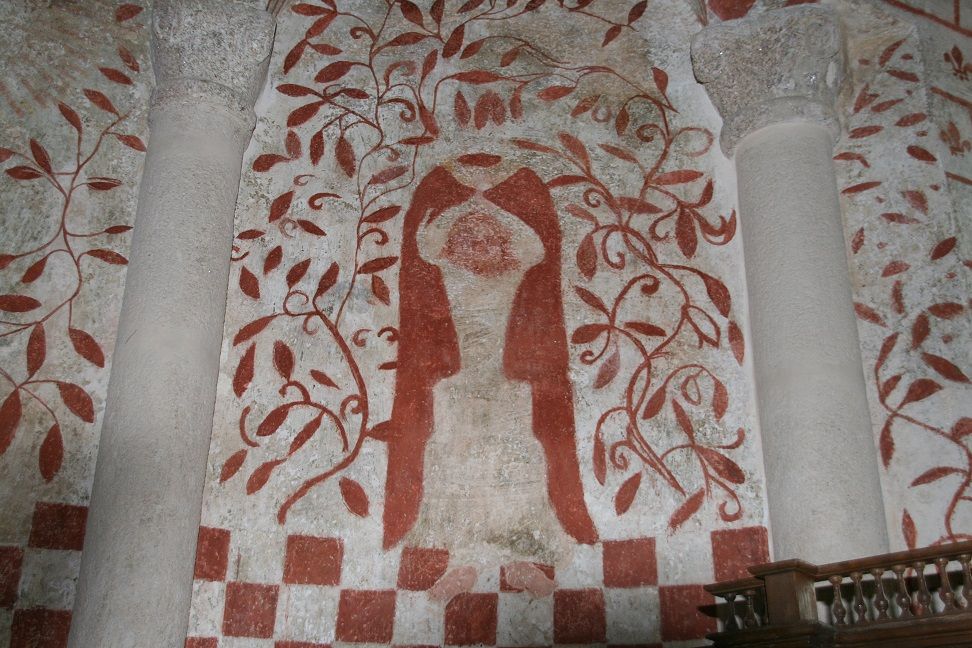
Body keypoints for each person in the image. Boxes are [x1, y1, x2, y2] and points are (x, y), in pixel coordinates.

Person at [382, 158, 598, 598]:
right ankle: (462, 558)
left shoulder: (515, 269)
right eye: (467, 237)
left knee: (518, 459)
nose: (478, 243)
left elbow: (535, 246)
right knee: (452, 459)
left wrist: (485, 201)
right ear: (453, 245)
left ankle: (521, 558)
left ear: (504, 244)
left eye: (488, 237)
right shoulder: (450, 269)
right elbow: (426, 242)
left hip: (506, 386)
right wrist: (474, 201)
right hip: (459, 387)